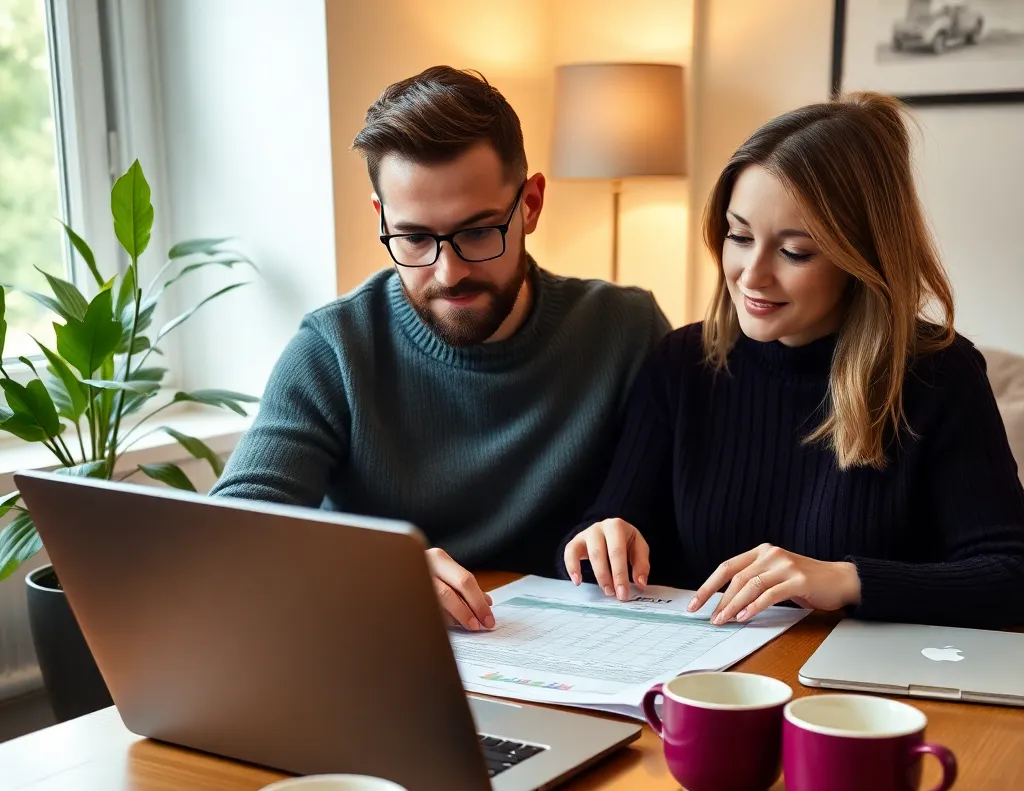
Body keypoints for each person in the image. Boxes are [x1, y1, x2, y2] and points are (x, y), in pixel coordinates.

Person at [212, 66, 669, 631]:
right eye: (415, 238)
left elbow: (679, 510)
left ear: (530, 203)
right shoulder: (335, 348)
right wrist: (375, 572)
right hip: (387, 656)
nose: (448, 272)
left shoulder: (624, 330)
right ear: (381, 219)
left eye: (478, 232)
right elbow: (229, 535)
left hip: (576, 662)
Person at [563, 91, 1024, 629]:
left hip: (858, 694)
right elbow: (614, 525)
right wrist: (601, 539)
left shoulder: (938, 374)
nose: (751, 275)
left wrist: (845, 580)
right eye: (739, 236)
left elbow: (1010, 576)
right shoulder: (683, 362)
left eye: (795, 251)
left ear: (862, 256)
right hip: (705, 679)